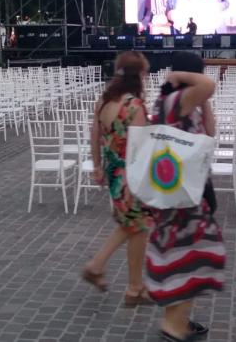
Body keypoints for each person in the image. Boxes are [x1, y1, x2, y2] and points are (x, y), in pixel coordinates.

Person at [146, 52, 224, 342]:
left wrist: (201, 100)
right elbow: (209, 85)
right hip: (181, 196)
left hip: (186, 191)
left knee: (188, 257)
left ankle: (175, 321)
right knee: (190, 258)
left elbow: (210, 133)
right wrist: (177, 76)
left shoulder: (185, 103)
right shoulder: (174, 102)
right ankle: (173, 325)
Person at [81, 51, 154, 307]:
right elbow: (141, 148)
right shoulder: (134, 107)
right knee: (134, 225)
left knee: (137, 228)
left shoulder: (103, 102)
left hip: (114, 173)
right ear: (139, 76)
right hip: (132, 175)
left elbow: (94, 136)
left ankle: (135, 288)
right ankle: (97, 264)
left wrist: (98, 167)